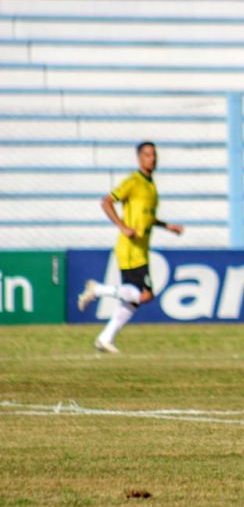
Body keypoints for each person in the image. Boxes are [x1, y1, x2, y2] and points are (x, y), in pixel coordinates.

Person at [76, 141, 183, 353]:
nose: (152, 158)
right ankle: (96, 289)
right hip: (130, 249)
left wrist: (166, 226)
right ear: (139, 158)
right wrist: (123, 227)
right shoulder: (133, 182)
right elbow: (106, 201)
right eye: (147, 155)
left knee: (132, 300)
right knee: (145, 295)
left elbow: (147, 218)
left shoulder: (150, 186)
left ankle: (105, 338)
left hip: (141, 249)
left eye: (154, 155)